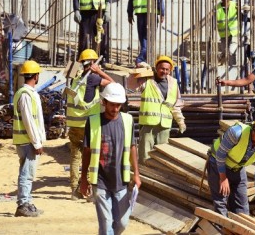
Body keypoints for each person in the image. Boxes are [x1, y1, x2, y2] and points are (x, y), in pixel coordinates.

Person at [79, 83, 141, 235]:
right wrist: (84, 178)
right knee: (106, 224)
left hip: (121, 181)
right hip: (100, 180)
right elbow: (86, 151)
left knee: (122, 222)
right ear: (104, 102)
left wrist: (137, 174)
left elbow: (132, 147)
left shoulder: (127, 120)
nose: (115, 109)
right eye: (112, 105)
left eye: (118, 105)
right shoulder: (93, 122)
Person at [66, 49, 113, 201]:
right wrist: (100, 72)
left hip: (74, 124)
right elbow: (114, 85)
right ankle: (89, 190)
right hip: (88, 124)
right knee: (92, 157)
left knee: (75, 157)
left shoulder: (75, 78)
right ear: (93, 63)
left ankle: (74, 190)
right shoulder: (93, 78)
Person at [207, 113, 255, 217]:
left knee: (242, 206)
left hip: (237, 168)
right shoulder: (236, 133)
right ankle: (222, 229)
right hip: (218, 164)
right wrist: (223, 178)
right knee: (221, 202)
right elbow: (220, 154)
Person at [137, 55, 186, 164]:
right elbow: (130, 84)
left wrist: (180, 122)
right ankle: (144, 176)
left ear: (170, 70)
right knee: (144, 153)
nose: (164, 71)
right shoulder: (147, 79)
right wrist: (141, 69)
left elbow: (176, 105)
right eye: (161, 68)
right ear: (156, 67)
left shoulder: (174, 83)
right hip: (148, 124)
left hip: (164, 125)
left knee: (162, 154)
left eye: (167, 69)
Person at [12, 60, 46, 217]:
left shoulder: (27, 93)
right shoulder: (26, 95)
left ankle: (27, 202)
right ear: (36, 76)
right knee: (27, 174)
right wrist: (37, 142)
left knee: (27, 172)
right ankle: (23, 205)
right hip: (28, 141)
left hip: (26, 140)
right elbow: (29, 121)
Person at [127, 0, 166, 68]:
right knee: (150, 37)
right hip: (152, 13)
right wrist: (162, 12)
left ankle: (144, 59)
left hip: (140, 13)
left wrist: (129, 13)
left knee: (143, 37)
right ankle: (140, 59)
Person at [216, 0, 239, 67]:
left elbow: (241, 16)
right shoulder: (217, 8)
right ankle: (226, 64)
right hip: (223, 36)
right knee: (226, 54)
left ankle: (232, 66)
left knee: (230, 51)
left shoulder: (235, 5)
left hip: (234, 34)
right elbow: (213, 22)